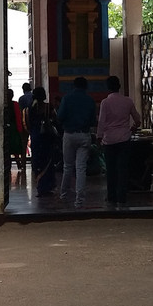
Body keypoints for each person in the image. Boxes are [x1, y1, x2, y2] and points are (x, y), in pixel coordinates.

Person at [97, 75, 140, 209]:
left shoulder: (105, 102)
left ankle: (111, 196)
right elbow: (137, 119)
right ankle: (122, 196)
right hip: (124, 138)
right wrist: (132, 129)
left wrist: (99, 136)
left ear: (108, 87)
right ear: (119, 86)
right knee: (122, 169)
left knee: (111, 169)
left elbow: (101, 121)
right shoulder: (128, 101)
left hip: (109, 140)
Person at [56, 76, 96, 208]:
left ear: (73, 86)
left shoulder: (67, 98)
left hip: (69, 135)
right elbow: (93, 120)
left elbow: (60, 117)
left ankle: (64, 195)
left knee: (67, 167)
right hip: (84, 135)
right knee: (81, 168)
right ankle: (79, 200)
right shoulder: (90, 100)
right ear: (86, 87)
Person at [27, 86, 57, 198]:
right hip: (47, 138)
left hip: (36, 137)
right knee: (48, 161)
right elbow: (55, 120)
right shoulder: (48, 107)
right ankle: (48, 186)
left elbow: (28, 122)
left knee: (37, 162)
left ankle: (40, 187)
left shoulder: (31, 108)